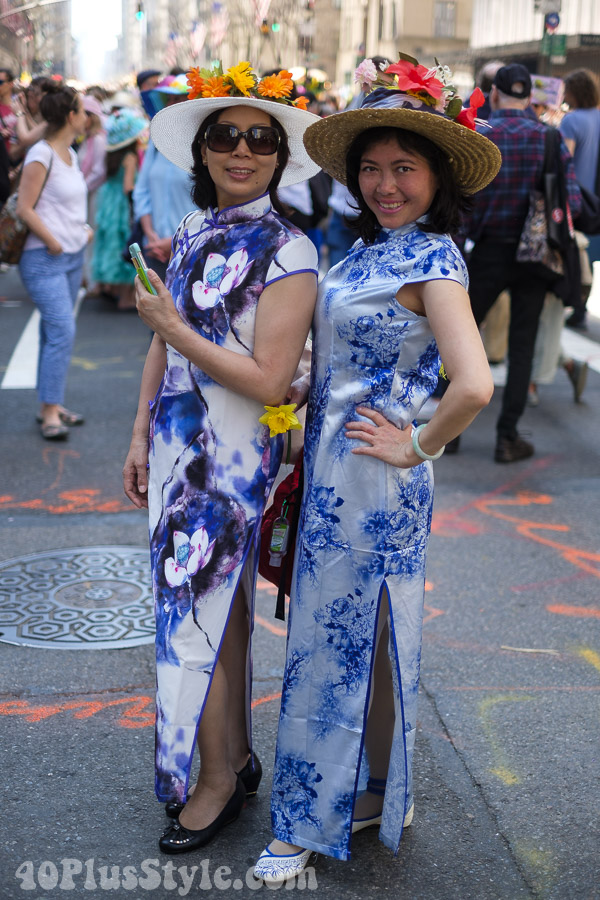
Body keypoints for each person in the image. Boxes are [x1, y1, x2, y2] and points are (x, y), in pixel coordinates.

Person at [253, 55, 499, 883]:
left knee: (332, 649)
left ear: (437, 177)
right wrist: (303, 392)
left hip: (373, 483)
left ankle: (303, 820)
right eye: (372, 168)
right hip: (331, 470)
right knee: (376, 641)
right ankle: (379, 791)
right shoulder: (365, 252)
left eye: (404, 168)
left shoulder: (432, 261)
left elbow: (474, 384)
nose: (385, 183)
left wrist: (416, 445)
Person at [122, 61, 321, 853]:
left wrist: (173, 330)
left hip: (232, 460)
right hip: (174, 450)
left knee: (193, 619)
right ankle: (231, 759)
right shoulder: (201, 230)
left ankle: (213, 782)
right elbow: (159, 349)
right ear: (202, 151)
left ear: (280, 154)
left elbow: (269, 377)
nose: (243, 151)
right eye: (227, 137)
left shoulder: (290, 250)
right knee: (218, 615)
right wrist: (138, 434)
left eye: (261, 139)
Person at [465, 64, 581, 463]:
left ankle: (449, 427)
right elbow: (572, 203)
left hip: (487, 250)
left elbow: (463, 203)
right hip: (534, 253)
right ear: (530, 97)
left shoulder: (479, 134)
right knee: (522, 345)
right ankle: (507, 435)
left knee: (456, 338)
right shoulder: (548, 137)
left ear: (494, 95)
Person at [16, 83, 91, 440]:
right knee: (62, 330)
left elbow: (66, 205)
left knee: (53, 332)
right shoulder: (40, 155)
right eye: (82, 109)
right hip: (44, 259)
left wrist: (83, 231)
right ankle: (49, 412)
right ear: (71, 116)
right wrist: (54, 242)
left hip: (72, 255)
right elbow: (24, 209)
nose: (87, 116)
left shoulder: (71, 155)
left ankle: (52, 403)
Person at [133, 74, 193, 280]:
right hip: (154, 250)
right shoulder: (156, 141)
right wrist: (150, 235)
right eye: (170, 99)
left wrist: (175, 241)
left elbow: (212, 205)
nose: (174, 104)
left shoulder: (207, 146)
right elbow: (141, 191)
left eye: (181, 98)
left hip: (193, 251)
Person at [92, 108, 147, 309]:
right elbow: (127, 186)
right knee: (127, 243)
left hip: (109, 201)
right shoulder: (130, 157)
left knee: (110, 243)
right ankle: (126, 298)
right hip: (123, 204)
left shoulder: (111, 155)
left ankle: (110, 288)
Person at [559, 68, 600, 330]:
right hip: (597, 198)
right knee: (593, 254)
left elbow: (565, 159)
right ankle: (582, 305)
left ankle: (575, 304)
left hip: (579, 197)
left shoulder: (571, 121)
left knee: (577, 252)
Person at [78, 94, 107, 292]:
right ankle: (87, 278)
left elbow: (99, 171)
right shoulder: (87, 139)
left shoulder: (98, 140)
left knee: (93, 236)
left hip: (95, 194)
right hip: (88, 193)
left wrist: (81, 187)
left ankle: (93, 282)